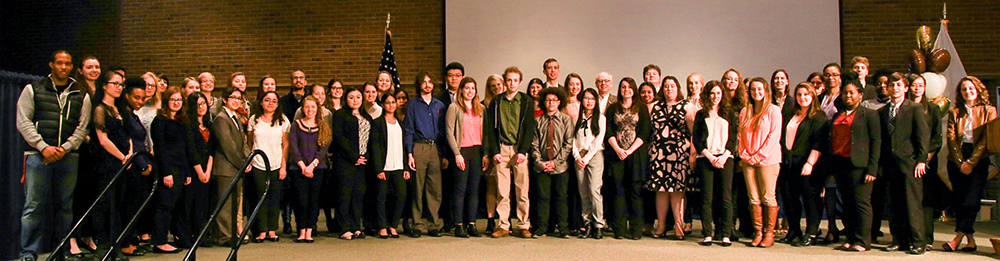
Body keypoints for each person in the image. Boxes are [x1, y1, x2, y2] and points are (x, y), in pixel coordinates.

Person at [16, 50, 92, 261]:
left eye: (67, 63)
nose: (63, 67)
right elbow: (23, 121)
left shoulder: (81, 94)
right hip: (37, 156)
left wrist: (64, 149)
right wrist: (43, 147)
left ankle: (61, 251)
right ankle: (28, 254)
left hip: (68, 157)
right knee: (33, 207)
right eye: (59, 63)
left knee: (65, 207)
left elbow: (83, 127)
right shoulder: (34, 89)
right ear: (51, 65)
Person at [942, 76, 997, 252]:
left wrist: (971, 162)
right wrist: (960, 162)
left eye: (971, 88)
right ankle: (971, 241)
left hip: (979, 158)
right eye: (964, 89)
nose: (968, 92)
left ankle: (956, 239)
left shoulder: (989, 110)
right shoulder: (954, 111)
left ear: (978, 90)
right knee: (959, 200)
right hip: (957, 158)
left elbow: (985, 139)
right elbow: (951, 138)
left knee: (971, 201)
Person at [879, 72, 930, 255]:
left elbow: (922, 137)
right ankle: (898, 240)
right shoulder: (882, 111)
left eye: (899, 85)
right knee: (894, 204)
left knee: (912, 204)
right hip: (890, 164)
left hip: (910, 163)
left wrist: (922, 160)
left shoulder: (914, 108)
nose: (895, 88)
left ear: (905, 88)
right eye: (892, 85)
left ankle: (918, 241)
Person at [87, 71, 136, 259]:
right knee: (105, 204)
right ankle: (103, 244)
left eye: (121, 84)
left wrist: (129, 154)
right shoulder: (100, 109)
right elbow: (103, 139)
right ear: (104, 86)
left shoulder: (120, 110)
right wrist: (122, 157)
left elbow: (128, 136)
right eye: (115, 83)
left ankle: (115, 243)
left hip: (123, 163)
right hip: (107, 163)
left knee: (119, 205)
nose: (118, 87)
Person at [830, 78, 881, 252]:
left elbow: (876, 142)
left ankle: (863, 241)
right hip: (841, 164)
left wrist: (872, 168)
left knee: (862, 204)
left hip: (860, 165)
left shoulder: (869, 114)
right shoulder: (838, 115)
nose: (848, 96)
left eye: (852, 92)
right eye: (845, 93)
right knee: (848, 204)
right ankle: (850, 238)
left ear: (860, 94)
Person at [485, 67, 536, 238]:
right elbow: (490, 129)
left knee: (522, 190)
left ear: (520, 82)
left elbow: (529, 128)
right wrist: (494, 151)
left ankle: (523, 224)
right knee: (502, 191)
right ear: (505, 81)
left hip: (519, 150)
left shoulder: (527, 101)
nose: (512, 83)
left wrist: (523, 151)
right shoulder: (496, 101)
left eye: (515, 80)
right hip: (502, 149)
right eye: (509, 80)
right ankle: (504, 225)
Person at [777, 82, 829, 246]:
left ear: (812, 96)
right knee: (789, 198)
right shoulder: (791, 114)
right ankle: (794, 230)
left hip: (808, 164)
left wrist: (810, 163)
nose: (802, 98)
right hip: (789, 163)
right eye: (799, 94)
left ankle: (812, 232)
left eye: (806, 94)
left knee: (810, 199)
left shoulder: (819, 116)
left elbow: (819, 143)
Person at [646, 78, 695, 240]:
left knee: (677, 191)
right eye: (666, 86)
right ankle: (660, 226)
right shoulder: (654, 106)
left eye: (672, 86)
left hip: (679, 154)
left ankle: (679, 227)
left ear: (677, 88)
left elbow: (693, 133)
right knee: (660, 191)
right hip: (658, 154)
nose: (669, 89)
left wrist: (692, 154)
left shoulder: (686, 106)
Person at [738, 77, 783, 248]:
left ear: (765, 91)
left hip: (768, 160)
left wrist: (759, 155)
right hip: (748, 159)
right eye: (753, 89)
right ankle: (758, 232)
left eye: (759, 89)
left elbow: (774, 136)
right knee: (754, 197)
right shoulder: (745, 111)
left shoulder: (773, 110)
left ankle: (769, 233)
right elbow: (740, 136)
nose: (756, 92)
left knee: (767, 196)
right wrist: (744, 154)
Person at [693, 80, 738, 246]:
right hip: (706, 159)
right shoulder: (700, 114)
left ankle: (725, 234)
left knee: (726, 197)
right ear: (707, 95)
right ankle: (707, 234)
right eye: (712, 93)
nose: (715, 96)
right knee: (707, 197)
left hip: (725, 159)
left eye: (718, 93)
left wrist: (723, 156)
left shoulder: (729, 113)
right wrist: (710, 157)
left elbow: (733, 138)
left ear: (722, 95)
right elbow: (697, 140)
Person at [403, 71, 447, 238]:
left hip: (435, 148)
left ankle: (433, 224)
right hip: (419, 147)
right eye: (424, 82)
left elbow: (443, 132)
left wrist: (443, 154)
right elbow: (408, 130)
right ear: (419, 85)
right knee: (417, 187)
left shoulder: (439, 106)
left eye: (430, 82)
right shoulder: (413, 105)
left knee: (435, 188)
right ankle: (417, 224)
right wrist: (409, 153)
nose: (427, 85)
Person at [605, 77, 650, 240]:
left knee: (635, 192)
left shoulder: (642, 108)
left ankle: (636, 230)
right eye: (623, 87)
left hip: (636, 155)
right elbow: (608, 131)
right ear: (620, 89)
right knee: (618, 192)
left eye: (630, 87)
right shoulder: (612, 108)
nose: (626, 90)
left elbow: (645, 132)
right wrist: (618, 149)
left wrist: (630, 150)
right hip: (616, 155)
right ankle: (619, 230)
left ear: (634, 90)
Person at [149, 87, 191, 253]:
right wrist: (166, 172)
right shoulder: (160, 121)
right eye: (173, 100)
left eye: (179, 100)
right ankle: (159, 241)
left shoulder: (181, 121)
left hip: (180, 168)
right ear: (166, 101)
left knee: (176, 206)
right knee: (164, 205)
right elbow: (160, 148)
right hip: (168, 168)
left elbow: (183, 148)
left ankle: (177, 237)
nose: (176, 103)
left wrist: (187, 172)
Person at [530, 87, 574, 238]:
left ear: (559, 102)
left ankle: (563, 227)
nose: (551, 103)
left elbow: (568, 143)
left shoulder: (566, 120)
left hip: (560, 166)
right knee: (543, 198)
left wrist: (555, 162)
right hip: (541, 166)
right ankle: (542, 227)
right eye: (548, 100)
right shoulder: (537, 121)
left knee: (561, 197)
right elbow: (534, 144)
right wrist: (540, 162)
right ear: (544, 102)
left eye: (554, 100)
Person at [906, 74, 944, 250]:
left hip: (927, 160)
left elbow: (937, 138)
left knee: (925, 200)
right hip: (907, 159)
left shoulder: (933, 109)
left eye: (920, 85)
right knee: (909, 199)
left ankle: (927, 237)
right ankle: (909, 236)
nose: (917, 88)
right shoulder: (903, 108)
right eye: (914, 85)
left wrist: (925, 158)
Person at [444, 77, 486, 237]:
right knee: (460, 190)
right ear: (461, 90)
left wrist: (485, 154)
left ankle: (471, 224)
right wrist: (456, 154)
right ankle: (459, 224)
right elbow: (449, 132)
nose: (470, 91)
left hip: (476, 152)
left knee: (474, 191)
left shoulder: (480, 108)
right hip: (462, 152)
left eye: (473, 88)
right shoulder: (453, 107)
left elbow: (484, 132)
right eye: (467, 88)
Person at [246, 91, 289, 243]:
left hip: (276, 163)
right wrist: (249, 162)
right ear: (261, 102)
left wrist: (283, 166)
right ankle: (261, 231)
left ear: (277, 104)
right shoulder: (254, 119)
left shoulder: (283, 120)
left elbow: (285, 145)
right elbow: (250, 142)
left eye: (274, 101)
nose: (270, 103)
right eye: (267, 100)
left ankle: (272, 230)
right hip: (258, 164)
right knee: (260, 198)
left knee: (274, 198)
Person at [211, 87, 251, 246]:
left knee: (234, 203)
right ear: (225, 99)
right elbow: (228, 146)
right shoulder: (221, 118)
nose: (236, 100)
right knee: (225, 205)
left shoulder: (235, 117)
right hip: (225, 167)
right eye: (233, 97)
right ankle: (223, 236)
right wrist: (242, 163)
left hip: (236, 168)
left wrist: (247, 160)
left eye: (239, 98)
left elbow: (242, 142)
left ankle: (231, 233)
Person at [289, 96, 331, 243]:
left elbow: (323, 149)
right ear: (303, 109)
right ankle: (301, 230)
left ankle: (309, 230)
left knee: (314, 201)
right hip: (298, 169)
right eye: (307, 107)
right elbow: (293, 147)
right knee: (301, 201)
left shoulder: (323, 126)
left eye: (313, 107)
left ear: (317, 109)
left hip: (317, 168)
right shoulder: (296, 124)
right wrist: (303, 166)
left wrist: (312, 165)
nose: (310, 110)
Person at [70, 55, 100, 258]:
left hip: (99, 152)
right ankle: (72, 237)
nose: (94, 70)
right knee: (78, 195)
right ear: (80, 70)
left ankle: (88, 235)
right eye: (89, 67)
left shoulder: (101, 90)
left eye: (97, 66)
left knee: (93, 195)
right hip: (83, 150)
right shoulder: (77, 90)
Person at [332, 88, 372, 240]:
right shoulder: (340, 115)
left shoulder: (366, 116)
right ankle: (344, 228)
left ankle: (356, 226)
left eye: (358, 97)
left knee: (358, 195)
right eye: (351, 97)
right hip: (345, 161)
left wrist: (364, 157)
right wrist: (354, 156)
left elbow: (370, 140)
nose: (355, 100)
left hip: (362, 162)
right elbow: (339, 137)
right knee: (344, 195)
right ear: (346, 99)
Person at [371, 94, 410, 238]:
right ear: (382, 104)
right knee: (381, 197)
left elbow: (404, 146)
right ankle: (382, 226)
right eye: (388, 102)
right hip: (384, 167)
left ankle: (393, 225)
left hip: (399, 166)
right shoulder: (377, 122)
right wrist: (378, 169)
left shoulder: (400, 122)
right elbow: (375, 147)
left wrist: (406, 167)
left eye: (393, 102)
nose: (391, 105)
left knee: (401, 195)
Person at [573, 88, 606, 239]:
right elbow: (572, 139)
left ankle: (598, 224)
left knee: (594, 191)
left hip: (594, 156)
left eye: (592, 99)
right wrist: (577, 156)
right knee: (583, 192)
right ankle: (587, 224)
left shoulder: (601, 118)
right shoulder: (577, 118)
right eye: (586, 98)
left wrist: (586, 159)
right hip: (579, 158)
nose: (589, 101)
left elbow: (598, 141)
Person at [183, 92, 215, 247]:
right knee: (191, 204)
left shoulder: (209, 124)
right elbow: (191, 150)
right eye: (197, 104)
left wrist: (208, 171)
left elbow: (211, 150)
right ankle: (190, 235)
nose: (201, 107)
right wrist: (200, 172)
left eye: (203, 103)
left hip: (207, 169)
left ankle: (202, 234)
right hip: (193, 170)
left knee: (204, 204)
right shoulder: (188, 125)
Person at [481, 74, 505, 234]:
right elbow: (484, 132)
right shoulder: (484, 105)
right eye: (492, 86)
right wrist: (486, 153)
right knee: (491, 187)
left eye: (498, 84)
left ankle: (505, 219)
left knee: (505, 188)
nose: (496, 88)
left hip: (506, 149)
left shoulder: (508, 102)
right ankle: (490, 220)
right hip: (489, 150)